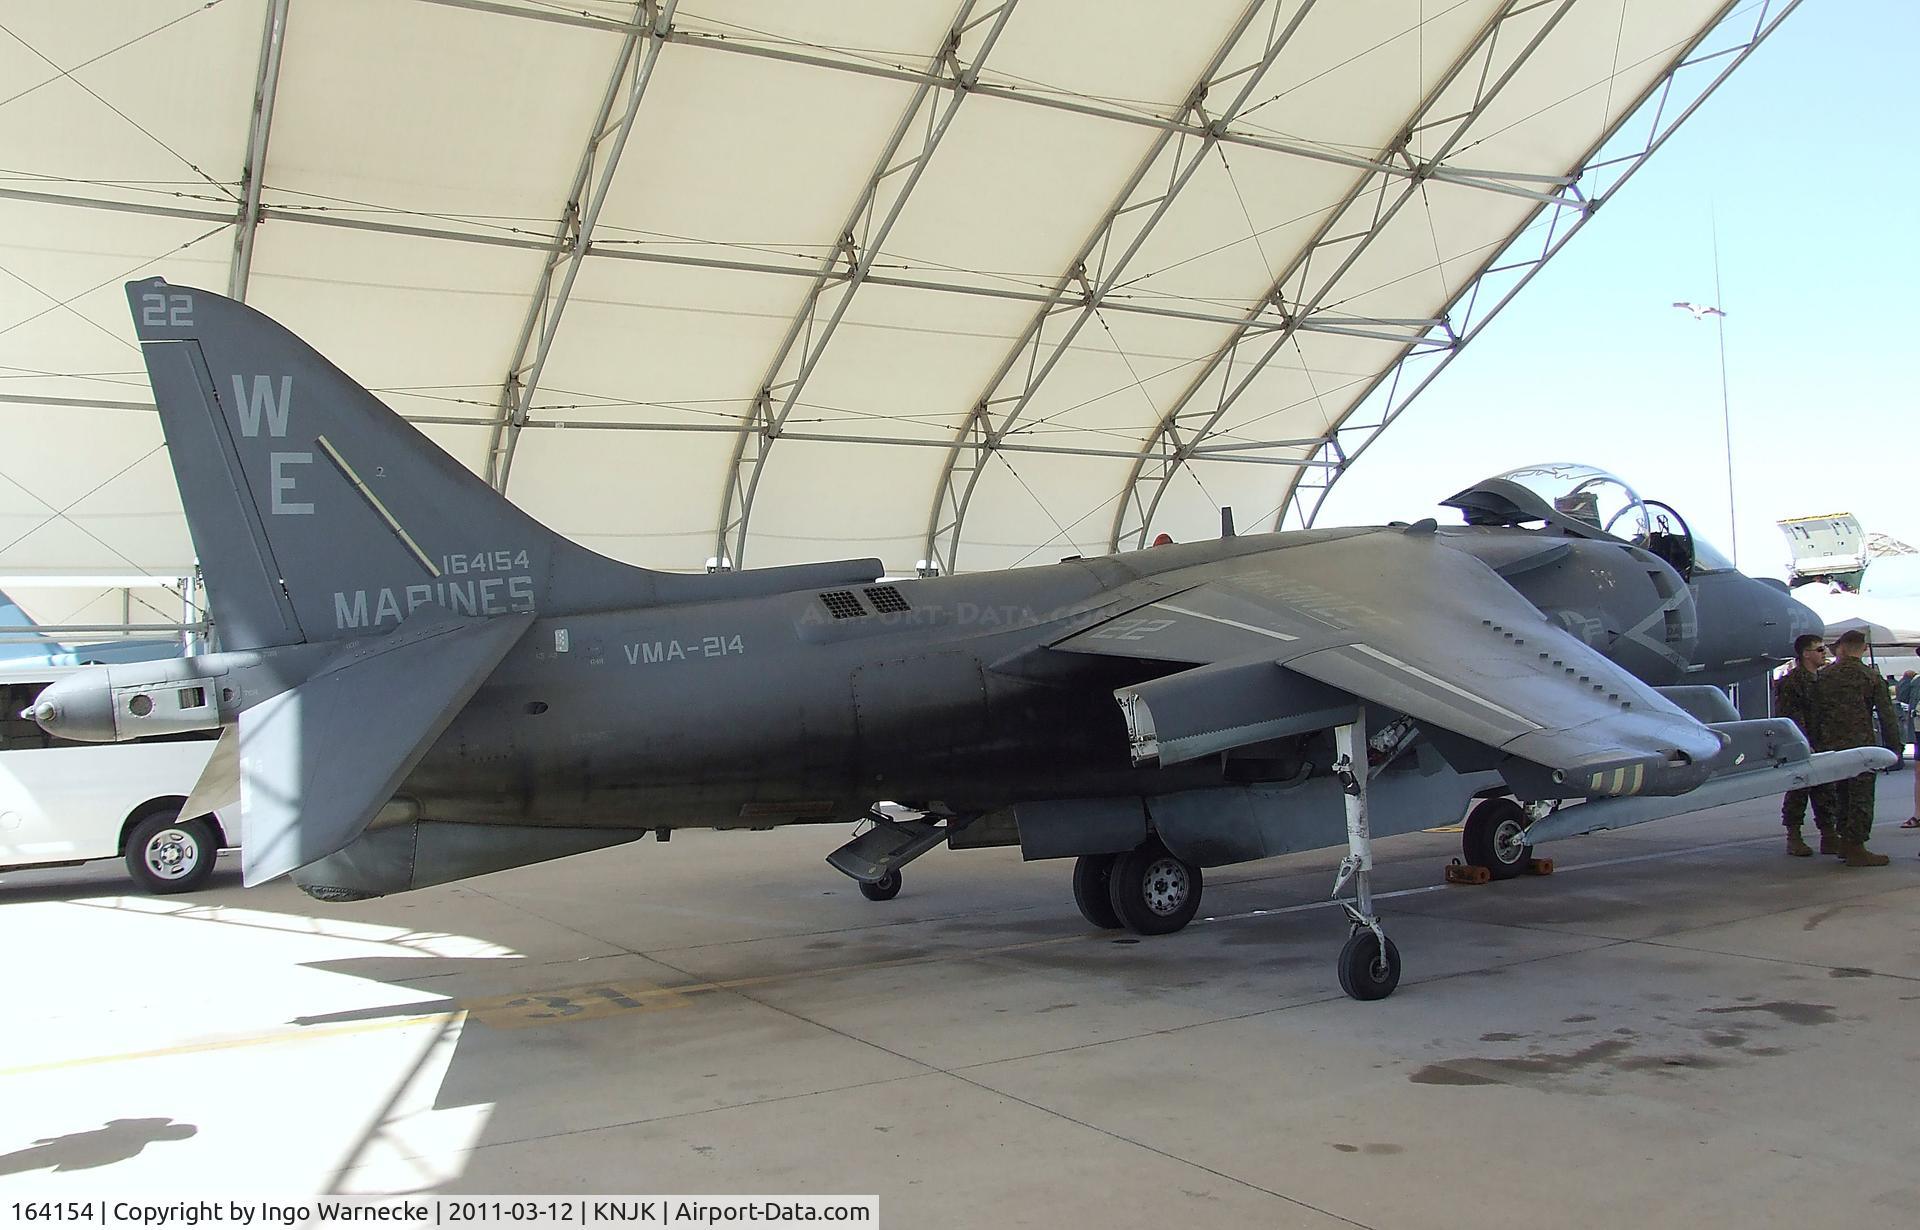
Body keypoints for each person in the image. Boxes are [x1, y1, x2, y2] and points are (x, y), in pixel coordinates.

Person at [1813, 629, 1903, 866]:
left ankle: (1843, 840)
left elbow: (1813, 712)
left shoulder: (1824, 675)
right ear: (1863, 648)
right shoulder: (1870, 677)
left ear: (1841, 647)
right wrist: (1895, 747)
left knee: (1841, 794)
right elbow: (1886, 715)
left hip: (1830, 745)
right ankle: (1856, 846)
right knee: (1860, 797)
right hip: (1861, 745)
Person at [1773, 634, 1835, 856]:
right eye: (1819, 649)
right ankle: (1794, 836)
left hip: (1824, 741)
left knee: (1826, 790)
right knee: (1799, 789)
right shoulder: (1792, 682)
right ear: (1806, 654)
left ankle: (1828, 835)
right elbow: (1791, 717)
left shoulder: (1822, 680)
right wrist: (1803, 743)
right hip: (1803, 744)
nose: (1824, 653)